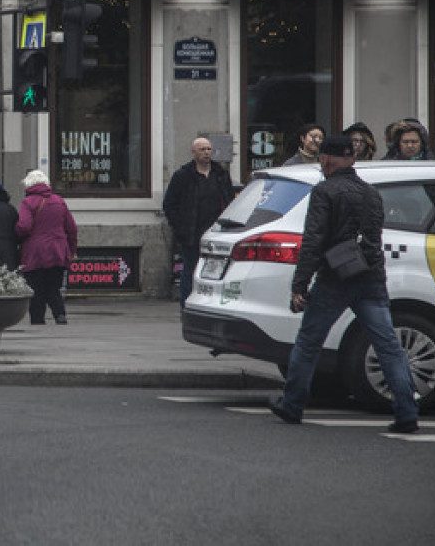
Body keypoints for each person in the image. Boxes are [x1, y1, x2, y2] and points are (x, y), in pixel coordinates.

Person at [268, 135, 419, 433]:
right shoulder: (372, 193)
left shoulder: (325, 192)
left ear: (325, 159)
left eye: (324, 159)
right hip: (371, 277)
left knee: (309, 341)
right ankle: (407, 412)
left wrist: (299, 285)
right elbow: (373, 238)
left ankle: (292, 404)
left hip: (335, 277)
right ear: (352, 159)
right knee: (387, 346)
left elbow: (313, 240)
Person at [162, 137, 234, 308]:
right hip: (192, 233)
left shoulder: (220, 174)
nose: (206, 153)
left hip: (217, 233)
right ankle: (187, 305)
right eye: (202, 149)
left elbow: (230, 200)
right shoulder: (183, 175)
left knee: (216, 272)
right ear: (193, 152)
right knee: (191, 271)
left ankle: (212, 304)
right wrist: (180, 227)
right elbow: (169, 204)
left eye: (209, 149)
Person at [16, 169, 78, 325]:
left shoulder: (27, 202)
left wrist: (15, 233)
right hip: (58, 251)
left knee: (36, 290)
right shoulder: (59, 201)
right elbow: (71, 228)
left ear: (28, 185)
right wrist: (71, 250)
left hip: (35, 253)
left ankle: (38, 319)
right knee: (53, 287)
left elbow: (24, 226)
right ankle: (60, 314)